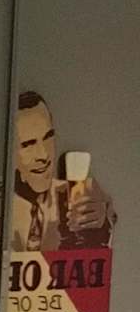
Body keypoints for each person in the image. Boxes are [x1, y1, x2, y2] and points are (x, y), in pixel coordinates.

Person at [9, 90, 116, 251]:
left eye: (48, 137)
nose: (44, 155)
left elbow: (108, 219)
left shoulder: (76, 195)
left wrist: (103, 222)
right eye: (28, 145)